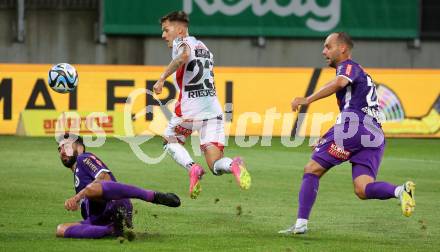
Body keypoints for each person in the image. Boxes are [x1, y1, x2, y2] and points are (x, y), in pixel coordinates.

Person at [279, 32, 416, 235]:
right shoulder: (362, 76)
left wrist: (307, 99)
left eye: (328, 46)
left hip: (354, 127)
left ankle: (300, 225)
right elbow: (353, 109)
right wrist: (328, 135)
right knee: (362, 188)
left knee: (312, 169)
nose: (324, 51)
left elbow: (339, 84)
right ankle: (400, 191)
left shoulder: (348, 66)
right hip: (374, 135)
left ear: (342, 48)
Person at [153, 10, 251, 199]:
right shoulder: (204, 47)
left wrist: (162, 78)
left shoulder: (182, 43)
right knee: (216, 165)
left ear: (180, 29)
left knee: (169, 140)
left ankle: (192, 168)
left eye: (166, 30)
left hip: (190, 110)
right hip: (212, 111)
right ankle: (234, 165)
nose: (163, 35)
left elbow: (183, 55)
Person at [55, 133, 181, 239]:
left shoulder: (84, 158)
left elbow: (105, 178)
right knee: (61, 229)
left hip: (114, 206)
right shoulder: (78, 174)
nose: (62, 151)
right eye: (59, 149)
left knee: (89, 190)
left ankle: (151, 196)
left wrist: (77, 198)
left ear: (80, 147)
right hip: (100, 218)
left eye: (66, 146)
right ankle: (111, 230)